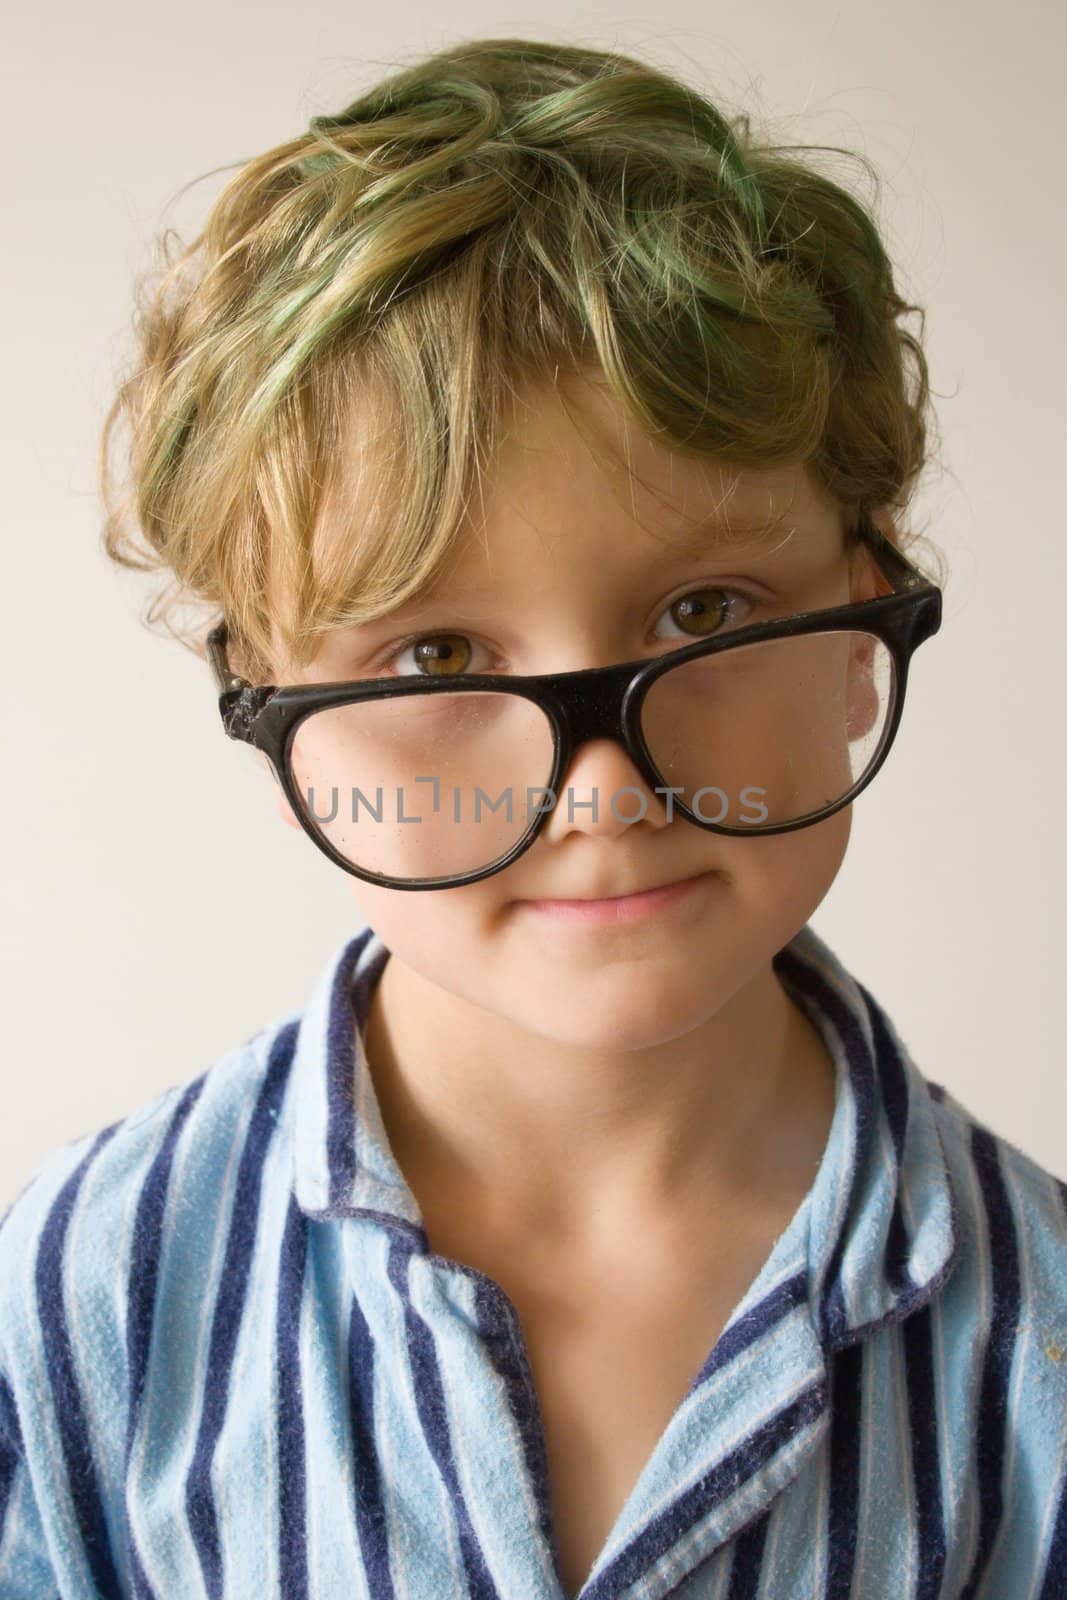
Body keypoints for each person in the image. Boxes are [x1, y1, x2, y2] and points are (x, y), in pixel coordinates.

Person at [1, 35, 1064, 1600]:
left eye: (705, 611)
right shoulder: (80, 1303)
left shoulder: (1036, 1341)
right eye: (435, 654)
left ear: (863, 619)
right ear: (267, 717)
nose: (607, 793)